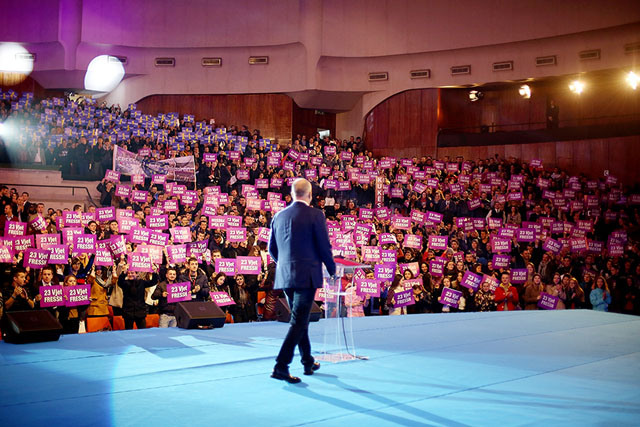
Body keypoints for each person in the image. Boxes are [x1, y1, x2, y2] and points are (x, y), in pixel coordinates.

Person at [268, 178, 336, 383]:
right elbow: (324, 246)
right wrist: (332, 269)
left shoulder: (278, 216)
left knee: (300, 319)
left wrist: (285, 265)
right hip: (306, 275)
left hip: (285, 275)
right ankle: (281, 366)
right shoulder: (316, 215)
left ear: (291, 194)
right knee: (298, 321)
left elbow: (272, 249)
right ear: (310, 195)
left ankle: (307, 361)